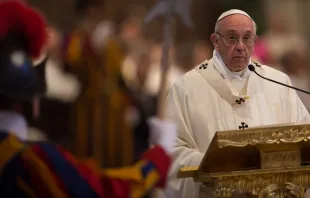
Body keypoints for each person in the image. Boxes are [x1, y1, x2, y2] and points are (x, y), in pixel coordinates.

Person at [0, 1, 177, 197]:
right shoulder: (34, 162)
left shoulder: (112, 39)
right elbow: (102, 190)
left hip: (113, 111)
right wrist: (159, 156)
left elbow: (119, 74)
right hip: (89, 108)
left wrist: (130, 100)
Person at [165, 9, 310, 198]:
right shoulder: (186, 88)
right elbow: (169, 150)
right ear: (215, 41)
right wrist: (214, 162)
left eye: (247, 38)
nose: (241, 46)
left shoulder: (279, 83)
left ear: (255, 41)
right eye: (232, 38)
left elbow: (304, 138)